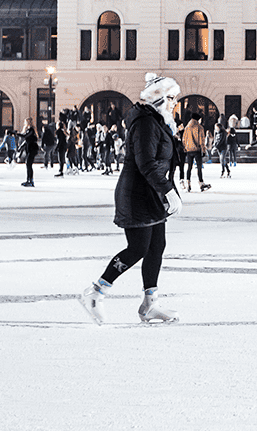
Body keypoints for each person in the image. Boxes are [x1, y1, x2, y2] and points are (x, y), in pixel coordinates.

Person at [78, 74, 183, 325]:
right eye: (170, 98)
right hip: (136, 194)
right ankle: (95, 293)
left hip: (151, 194)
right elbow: (146, 163)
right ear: (157, 99)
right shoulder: (146, 123)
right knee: (138, 248)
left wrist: (168, 190)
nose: (174, 104)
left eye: (175, 98)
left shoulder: (157, 121)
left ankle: (150, 304)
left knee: (157, 247)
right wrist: (167, 190)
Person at [180, 112, 210, 192]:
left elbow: (184, 139)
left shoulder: (187, 127)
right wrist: (203, 150)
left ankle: (188, 184)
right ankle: (201, 183)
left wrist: (185, 148)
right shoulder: (199, 127)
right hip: (197, 150)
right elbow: (201, 141)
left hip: (189, 150)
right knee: (199, 167)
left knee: (189, 167)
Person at [18, 118, 40, 186]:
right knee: (28, 164)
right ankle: (29, 180)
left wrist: (17, 133)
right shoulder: (29, 130)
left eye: (25, 122)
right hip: (29, 149)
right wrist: (21, 147)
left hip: (32, 149)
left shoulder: (31, 130)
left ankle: (30, 180)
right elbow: (26, 140)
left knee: (29, 164)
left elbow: (25, 136)